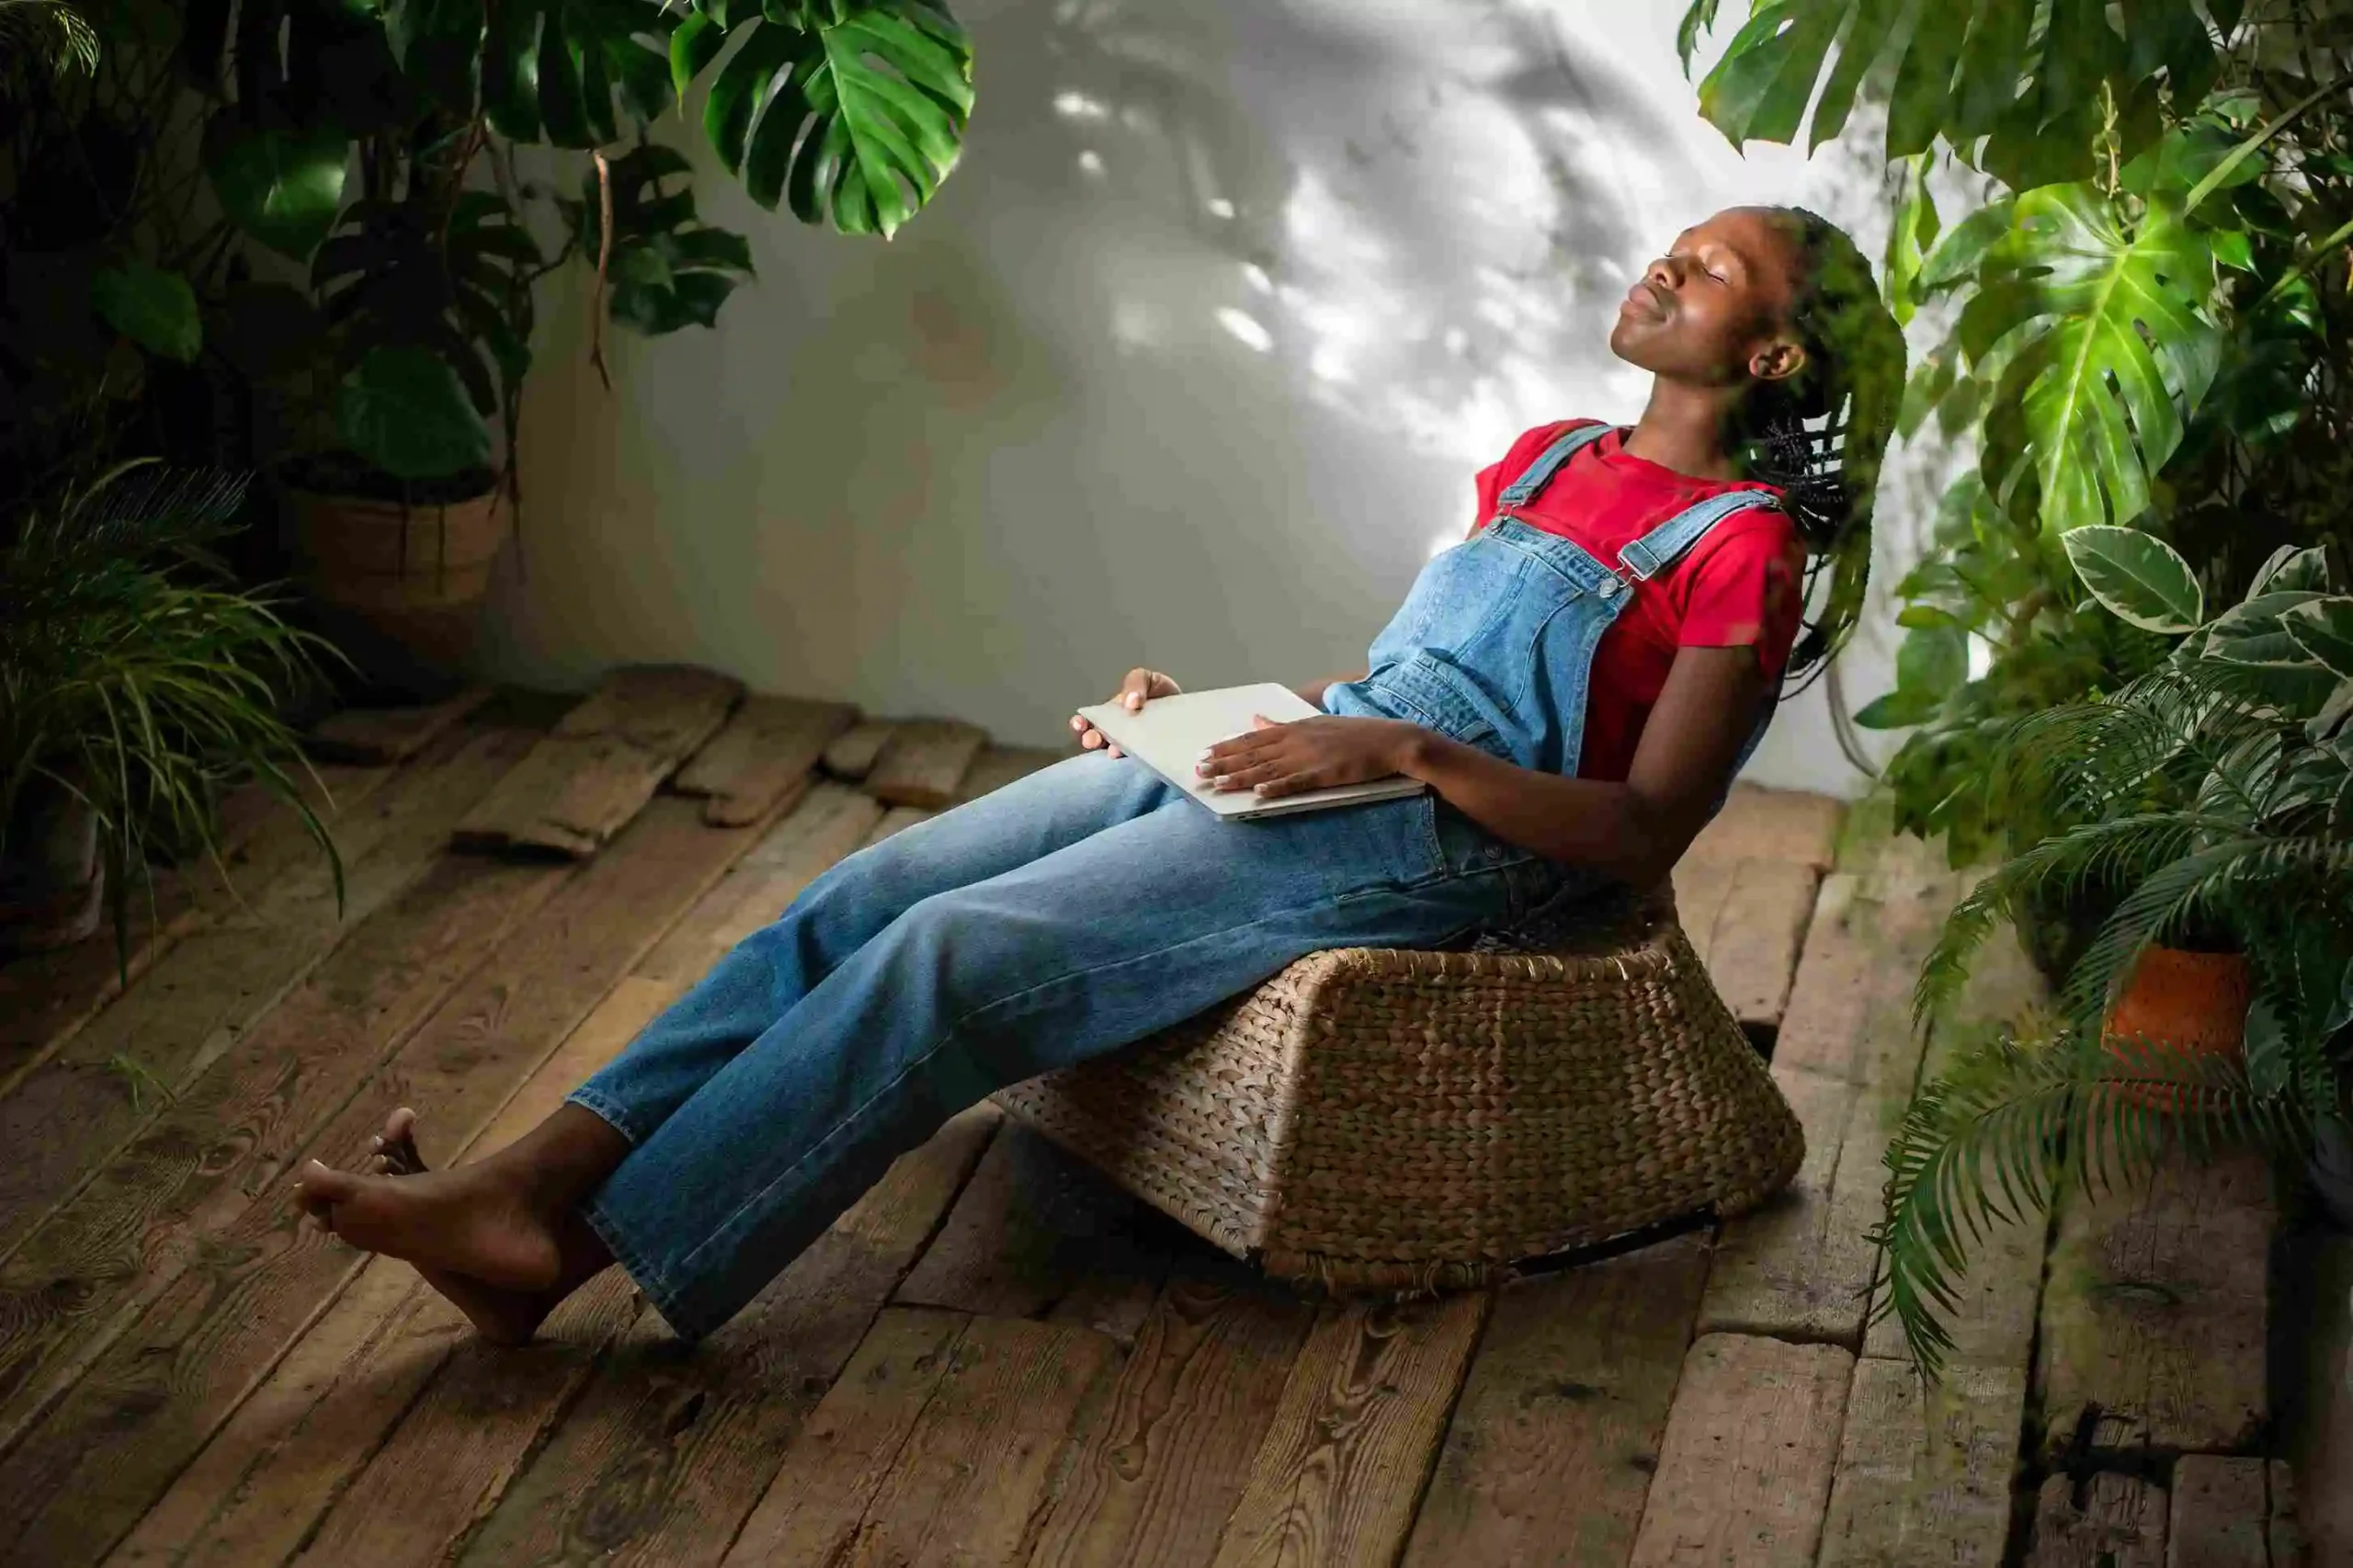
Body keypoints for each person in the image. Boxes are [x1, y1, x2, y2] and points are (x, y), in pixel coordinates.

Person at [294, 205, 1905, 1346]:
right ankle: (535, 1176)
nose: (1664, 263)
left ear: (1770, 354)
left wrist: (1397, 749)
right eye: (1674, 242)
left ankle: (569, 1254)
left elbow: (1640, 830)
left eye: (1710, 270)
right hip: (1345, 752)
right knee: (871, 887)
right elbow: (1409, 677)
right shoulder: (1548, 455)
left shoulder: (1742, 551)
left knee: (950, 957)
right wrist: (1208, 712)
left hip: (1458, 844)